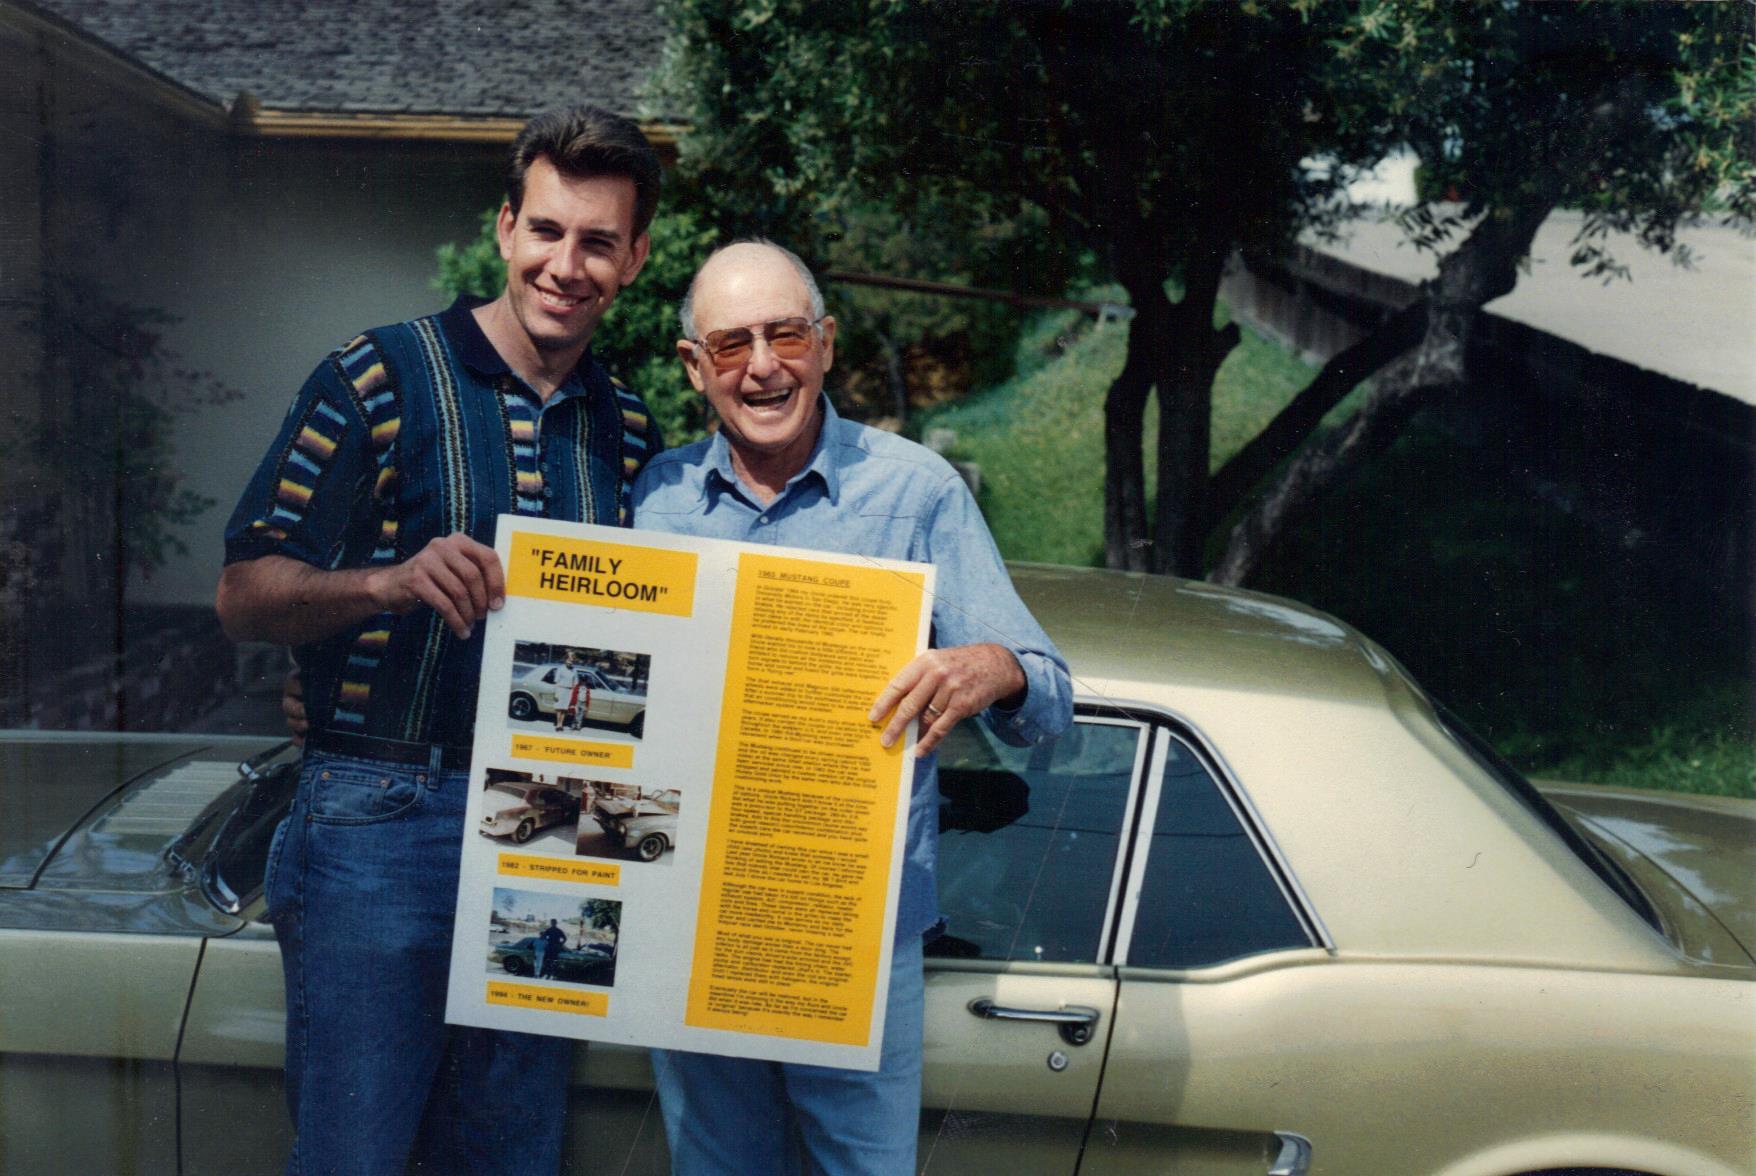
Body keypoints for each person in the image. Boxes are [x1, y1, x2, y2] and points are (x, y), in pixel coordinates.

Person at [215, 105, 662, 1176]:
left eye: (598, 241)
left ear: (635, 260)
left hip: (566, 820)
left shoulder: (632, 429)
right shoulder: (377, 376)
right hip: (384, 810)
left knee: (510, 1152)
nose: (568, 264)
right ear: (506, 227)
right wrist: (385, 581)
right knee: (356, 1155)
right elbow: (241, 590)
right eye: (548, 230)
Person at [635, 241, 1073, 1175]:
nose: (762, 365)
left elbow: (1051, 697)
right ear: (692, 368)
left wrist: (992, 666)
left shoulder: (916, 491)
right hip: (695, 923)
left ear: (826, 344)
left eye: (785, 334)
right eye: (730, 345)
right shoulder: (655, 500)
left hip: (854, 937)